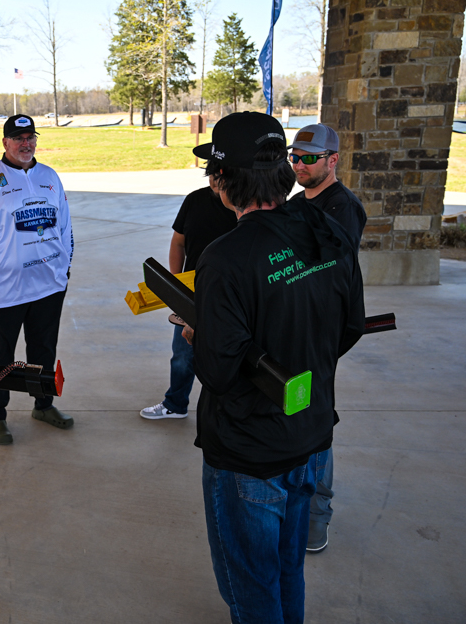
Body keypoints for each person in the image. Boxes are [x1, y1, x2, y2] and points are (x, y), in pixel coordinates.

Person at [187, 112, 364, 623]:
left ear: (223, 180)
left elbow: (218, 372)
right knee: (288, 571)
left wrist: (200, 333)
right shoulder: (325, 226)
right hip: (310, 435)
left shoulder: (226, 256)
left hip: (249, 454)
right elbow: (351, 326)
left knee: (251, 587)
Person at [0, 114, 74, 445]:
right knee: (0, 357)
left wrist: (64, 268)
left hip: (49, 285)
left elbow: (66, 226)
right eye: (18, 138)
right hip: (5, 290)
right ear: (5, 142)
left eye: (30, 137)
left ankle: (44, 405)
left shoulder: (50, 176)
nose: (26, 144)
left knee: (44, 348)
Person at [287, 123, 367, 554]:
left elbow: (325, 271)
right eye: (294, 157)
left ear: (333, 160)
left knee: (316, 420)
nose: (298, 165)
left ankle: (318, 516)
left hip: (319, 333)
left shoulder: (343, 208)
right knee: (295, 412)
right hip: (294, 327)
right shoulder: (297, 202)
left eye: (308, 158)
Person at [140, 175, 237, 420]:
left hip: (230, 296)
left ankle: (229, 412)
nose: (216, 180)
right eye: (212, 173)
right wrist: (175, 288)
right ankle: (175, 404)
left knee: (228, 356)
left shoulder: (243, 205)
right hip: (192, 294)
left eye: (222, 174)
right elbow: (178, 243)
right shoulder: (195, 200)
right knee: (183, 354)